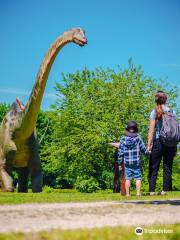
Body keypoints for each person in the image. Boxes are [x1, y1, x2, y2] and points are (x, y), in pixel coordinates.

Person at [147, 91, 177, 195]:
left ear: (156, 100)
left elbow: (151, 130)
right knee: (167, 167)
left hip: (159, 141)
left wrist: (149, 145)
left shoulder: (154, 112)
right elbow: (175, 129)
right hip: (170, 142)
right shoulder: (172, 111)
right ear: (166, 100)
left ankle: (151, 191)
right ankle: (165, 190)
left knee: (153, 167)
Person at [118, 121, 148, 197]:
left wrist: (120, 162)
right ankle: (138, 193)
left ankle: (128, 194)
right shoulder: (138, 139)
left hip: (127, 162)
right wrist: (149, 152)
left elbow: (120, 152)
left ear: (127, 129)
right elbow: (144, 150)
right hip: (136, 162)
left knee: (128, 178)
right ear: (135, 129)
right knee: (138, 178)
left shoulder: (123, 139)